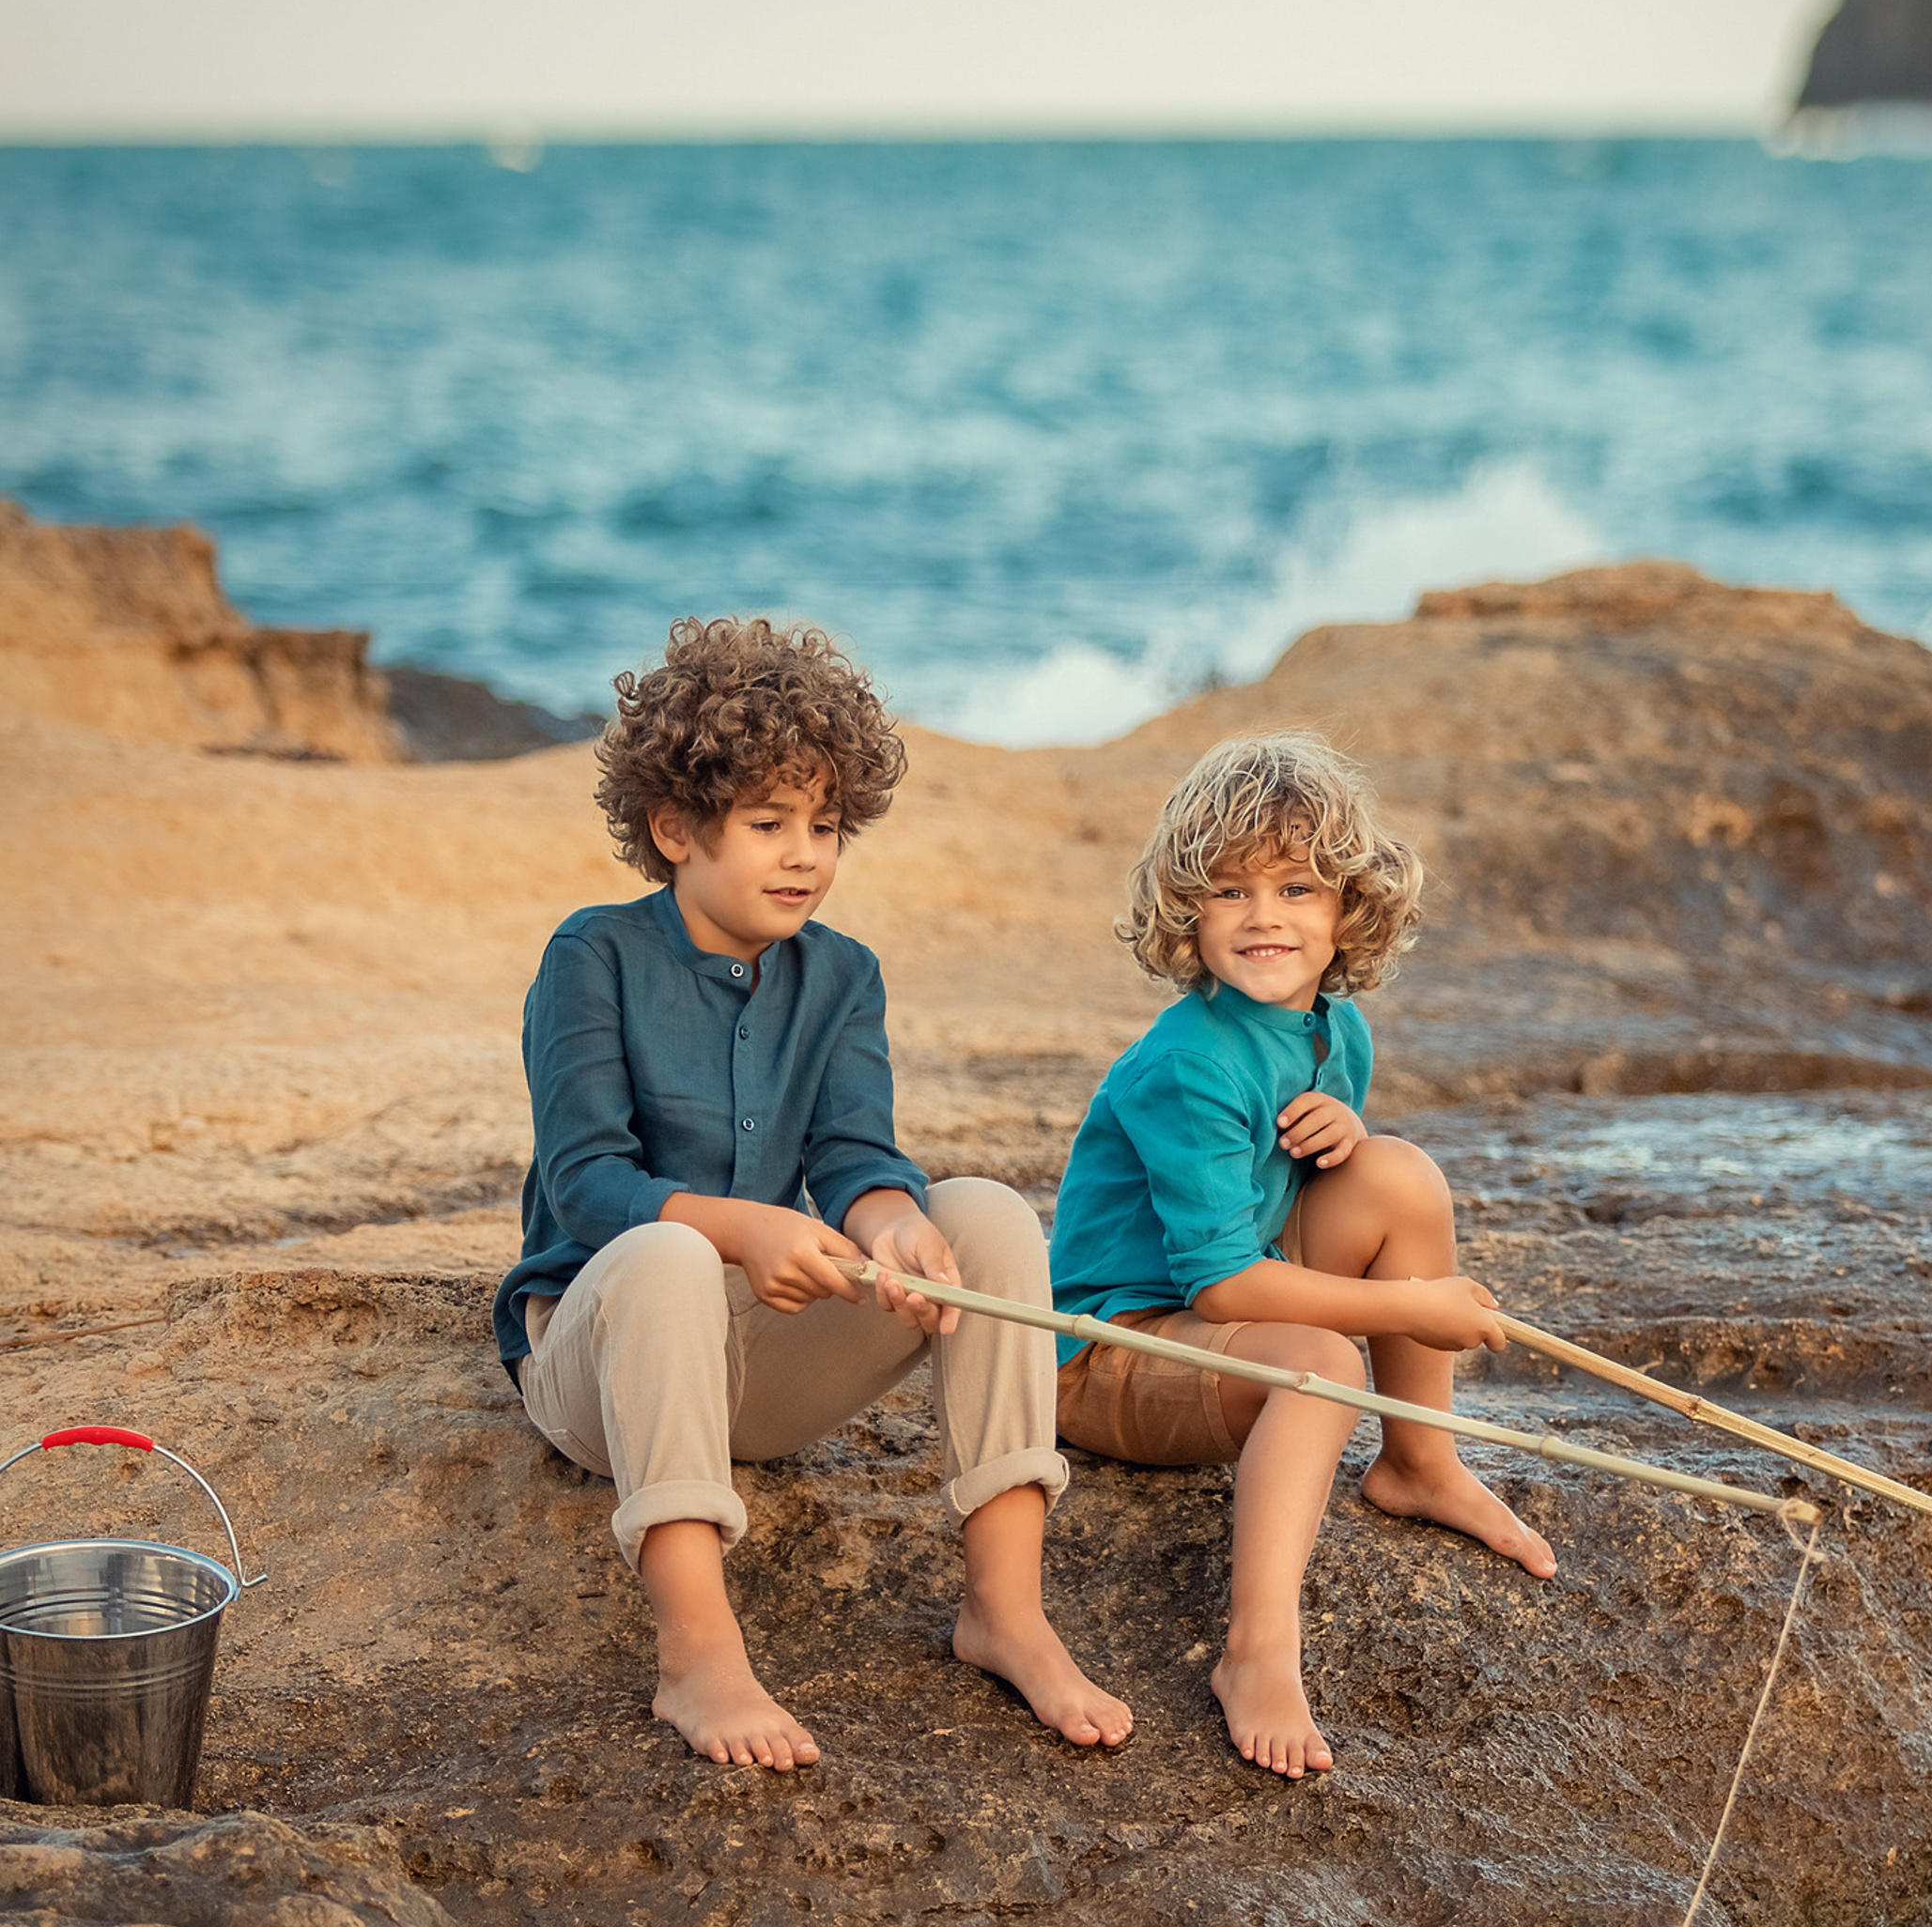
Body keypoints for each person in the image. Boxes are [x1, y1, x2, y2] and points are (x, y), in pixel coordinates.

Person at [495, 615, 1131, 1769]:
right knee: (670, 1255)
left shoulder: (842, 975)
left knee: (980, 1211)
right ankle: (697, 1650)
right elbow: (587, 1189)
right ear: (674, 826)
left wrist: (888, 1222)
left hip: (758, 1378)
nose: (805, 854)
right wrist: (747, 1226)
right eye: (768, 823)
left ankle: (1006, 1608)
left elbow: (853, 1155)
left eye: (826, 825)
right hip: (603, 1371)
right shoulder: (590, 958)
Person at [1048, 732, 1554, 1781]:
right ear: (1187, 912)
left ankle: (1420, 1463)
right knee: (1321, 1361)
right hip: (1110, 1348)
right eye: (1229, 890)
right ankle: (1257, 1654)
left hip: (1215, 1309)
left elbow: (1308, 1198)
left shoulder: (1337, 1027)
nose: (1264, 915)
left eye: (1295, 887)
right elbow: (1223, 1283)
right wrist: (1412, 1307)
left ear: (1347, 913)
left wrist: (1344, 1135)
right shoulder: (1188, 1062)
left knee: (1400, 1173)